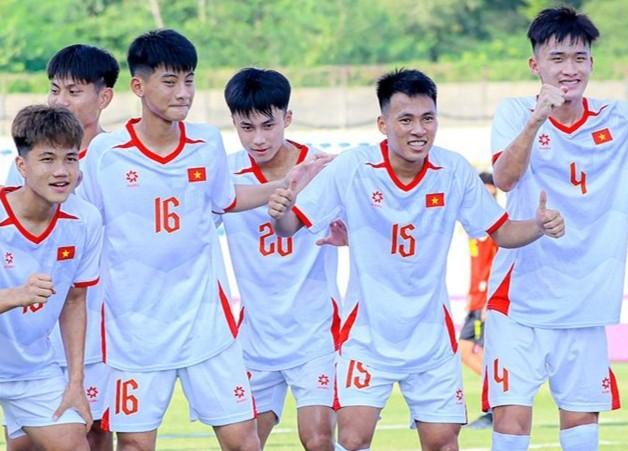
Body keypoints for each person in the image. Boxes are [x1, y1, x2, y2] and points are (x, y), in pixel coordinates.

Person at [268, 68, 565, 451]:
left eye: (428, 118)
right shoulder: (353, 168)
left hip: (431, 342)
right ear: (383, 124)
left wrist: (539, 226)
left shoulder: (452, 170)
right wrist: (280, 210)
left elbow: (502, 232)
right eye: (406, 120)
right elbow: (290, 226)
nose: (419, 130)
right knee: (352, 438)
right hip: (367, 339)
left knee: (443, 443)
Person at [79, 30, 327, 451]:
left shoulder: (207, 141)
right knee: (134, 444)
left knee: (244, 441)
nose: (183, 92)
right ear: (138, 86)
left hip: (206, 328)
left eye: (189, 80)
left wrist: (286, 184)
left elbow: (227, 199)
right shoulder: (106, 153)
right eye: (170, 81)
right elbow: (81, 224)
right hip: (134, 333)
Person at [485, 6, 626, 451]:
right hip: (520, 300)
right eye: (558, 58)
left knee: (581, 425)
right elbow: (505, 179)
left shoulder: (617, 119)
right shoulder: (515, 112)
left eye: (579, 58)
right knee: (510, 419)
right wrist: (536, 120)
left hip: (586, 302)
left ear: (592, 64)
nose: (570, 69)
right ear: (536, 64)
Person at [0, 105, 102, 451]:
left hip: (32, 367)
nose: (61, 171)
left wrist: (75, 382)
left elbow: (75, 301)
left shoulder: (86, 221)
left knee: (75, 445)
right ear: (21, 166)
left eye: (70, 159)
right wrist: (17, 295)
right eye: (47, 159)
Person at [4, 44, 118, 451]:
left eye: (74, 91)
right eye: (55, 90)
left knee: (95, 433)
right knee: (24, 443)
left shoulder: (118, 157)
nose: (60, 100)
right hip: (35, 327)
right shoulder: (26, 163)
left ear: (104, 97)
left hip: (99, 325)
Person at [219, 67, 340, 450]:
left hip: (315, 333)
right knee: (242, 443)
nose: (258, 138)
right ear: (234, 124)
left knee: (318, 439)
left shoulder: (322, 168)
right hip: (256, 336)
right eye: (246, 127)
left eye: (268, 125)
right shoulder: (224, 173)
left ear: (287, 118)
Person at [460, 171, 498, 429]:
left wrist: (489, 300)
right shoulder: (474, 225)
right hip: (475, 299)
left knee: (481, 351)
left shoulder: (496, 225)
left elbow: (499, 263)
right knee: (464, 350)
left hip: (486, 300)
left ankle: (497, 404)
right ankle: (498, 398)